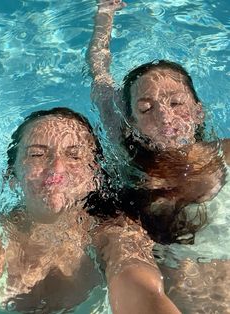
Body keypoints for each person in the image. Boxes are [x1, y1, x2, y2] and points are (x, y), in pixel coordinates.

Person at [0, 107, 181, 314]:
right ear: (11, 177)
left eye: (74, 156)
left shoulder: (114, 235)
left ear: (96, 177)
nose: (57, 168)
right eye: (37, 154)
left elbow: (142, 289)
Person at [88, 0, 230, 244]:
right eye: (146, 108)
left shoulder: (225, 154)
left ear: (199, 113)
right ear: (132, 122)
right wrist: (105, 14)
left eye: (175, 103)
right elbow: (99, 70)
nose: (164, 117)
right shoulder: (125, 147)